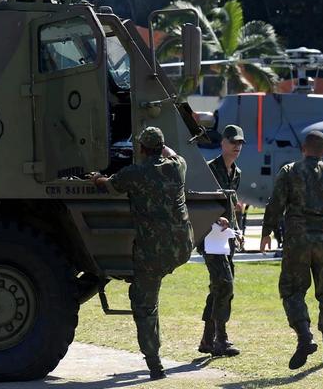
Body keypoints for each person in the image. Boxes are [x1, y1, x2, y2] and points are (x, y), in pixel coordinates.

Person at [90, 126, 193, 380]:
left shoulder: (135, 173)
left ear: (141, 149)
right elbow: (172, 153)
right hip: (182, 247)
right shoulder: (177, 166)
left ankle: (155, 364)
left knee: (144, 305)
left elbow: (109, 185)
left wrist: (95, 178)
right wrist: (162, 146)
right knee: (150, 295)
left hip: (152, 253)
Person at [261, 130, 323, 369]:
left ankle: (305, 337)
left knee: (292, 291)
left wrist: (266, 232)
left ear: (303, 149)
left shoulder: (290, 172)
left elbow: (276, 203)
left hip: (297, 241)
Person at [198, 125, 245, 357]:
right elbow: (198, 203)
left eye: (240, 143)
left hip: (226, 239)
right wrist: (216, 217)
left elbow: (232, 207)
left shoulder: (236, 173)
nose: (237, 146)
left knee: (219, 286)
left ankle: (208, 339)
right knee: (225, 284)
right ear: (222, 143)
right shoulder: (208, 170)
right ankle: (220, 339)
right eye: (233, 142)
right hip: (209, 238)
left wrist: (237, 230)